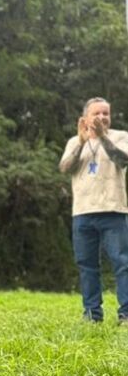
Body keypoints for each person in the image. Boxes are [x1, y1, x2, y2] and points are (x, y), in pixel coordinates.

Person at [59, 97, 128, 324]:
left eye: (105, 113)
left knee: (122, 263)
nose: (101, 118)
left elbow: (122, 160)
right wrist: (81, 141)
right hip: (83, 213)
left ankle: (125, 314)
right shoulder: (74, 141)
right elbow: (64, 168)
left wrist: (104, 137)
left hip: (113, 209)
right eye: (96, 114)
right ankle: (92, 314)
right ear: (85, 118)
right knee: (87, 266)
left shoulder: (121, 136)